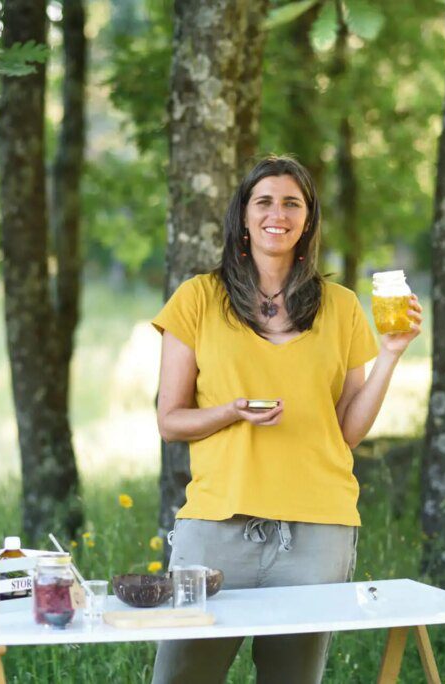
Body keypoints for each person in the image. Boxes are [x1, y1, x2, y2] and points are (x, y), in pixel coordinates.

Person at [150, 155, 422, 684]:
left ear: (308, 219)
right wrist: (231, 412)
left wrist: (391, 353)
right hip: (216, 527)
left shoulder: (343, 308)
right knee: (182, 677)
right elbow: (170, 420)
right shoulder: (198, 299)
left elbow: (347, 430)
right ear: (244, 218)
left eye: (292, 203)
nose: (279, 213)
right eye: (265, 201)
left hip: (317, 531)